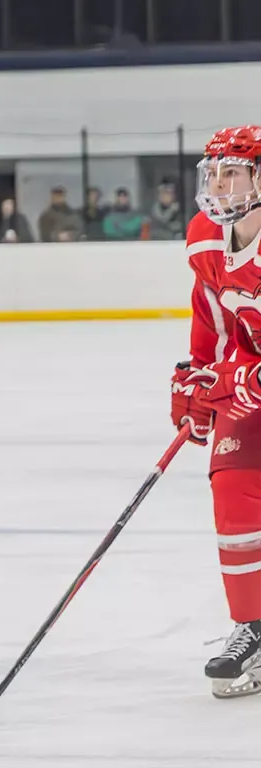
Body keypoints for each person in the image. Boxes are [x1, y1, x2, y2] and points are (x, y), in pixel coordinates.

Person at [171, 125, 261, 697]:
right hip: (250, 379)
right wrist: (197, 374)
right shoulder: (206, 239)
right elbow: (211, 316)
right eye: (216, 172)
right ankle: (251, 627)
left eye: (234, 171)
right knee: (232, 489)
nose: (222, 184)